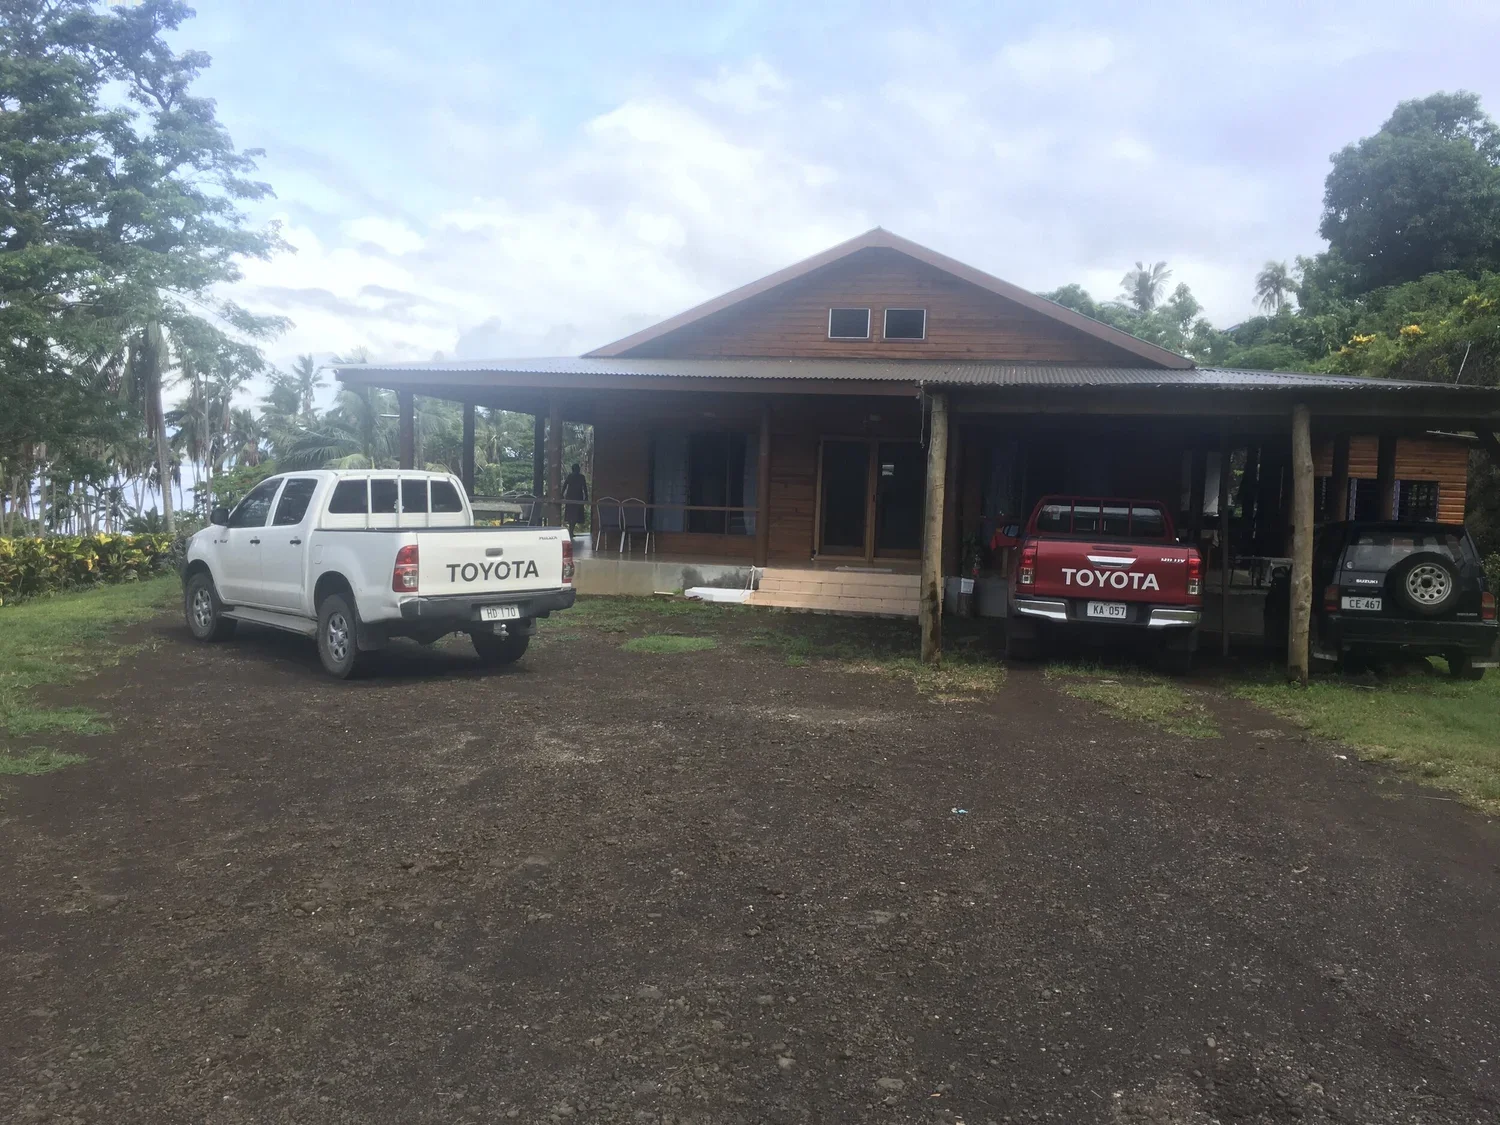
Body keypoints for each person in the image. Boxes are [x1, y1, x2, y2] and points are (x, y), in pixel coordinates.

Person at [562, 463, 589, 533]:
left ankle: (571, 531)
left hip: (570, 497)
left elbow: (564, 486)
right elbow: (585, 488)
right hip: (577, 497)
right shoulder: (581, 477)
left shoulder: (570, 476)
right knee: (575, 515)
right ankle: (571, 531)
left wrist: (561, 494)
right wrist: (586, 497)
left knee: (571, 515)